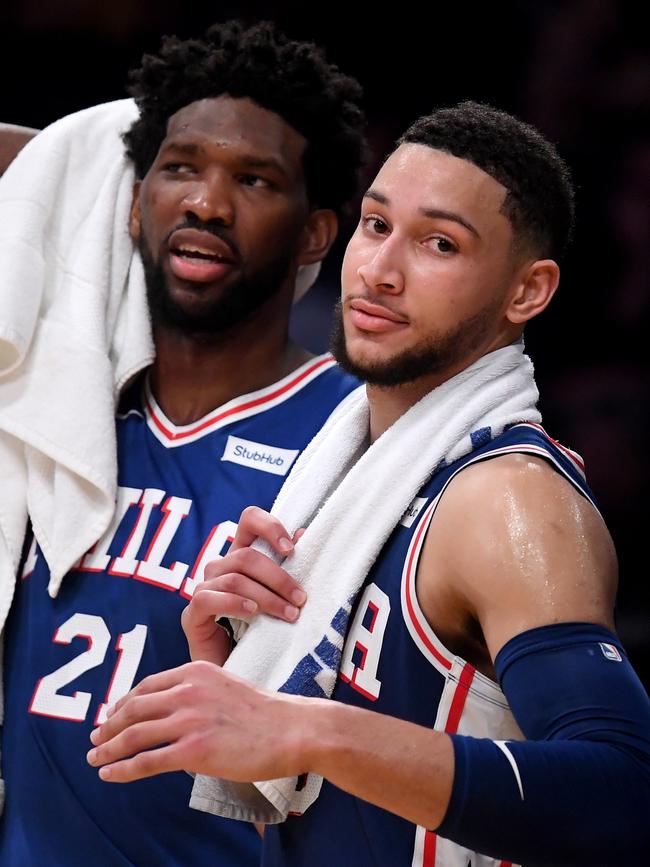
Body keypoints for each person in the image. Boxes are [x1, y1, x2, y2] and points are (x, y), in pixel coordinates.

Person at [88, 101, 650, 867]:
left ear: (528, 291)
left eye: (439, 243)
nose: (380, 271)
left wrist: (305, 725)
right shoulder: (346, 477)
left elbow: (623, 793)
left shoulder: (506, 500)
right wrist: (235, 670)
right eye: (377, 225)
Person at [0, 20, 365, 867]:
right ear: (132, 203)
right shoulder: (62, 415)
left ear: (315, 233)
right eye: (180, 168)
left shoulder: (353, 442)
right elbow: (41, 169)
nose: (206, 201)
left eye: (254, 178)